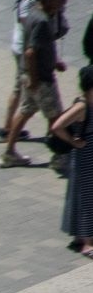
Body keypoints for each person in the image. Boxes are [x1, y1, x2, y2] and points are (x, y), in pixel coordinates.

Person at [3, 0, 56, 163]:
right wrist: (33, 77)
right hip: (28, 59)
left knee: (26, 103)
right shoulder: (29, 1)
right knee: (50, 111)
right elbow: (29, 32)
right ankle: (60, 153)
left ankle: (8, 137)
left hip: (27, 58)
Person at [55, 78, 93, 253]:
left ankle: (79, 236)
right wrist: (72, 141)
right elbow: (57, 126)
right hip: (85, 156)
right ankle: (88, 242)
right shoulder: (82, 107)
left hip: (88, 155)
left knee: (82, 194)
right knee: (87, 197)